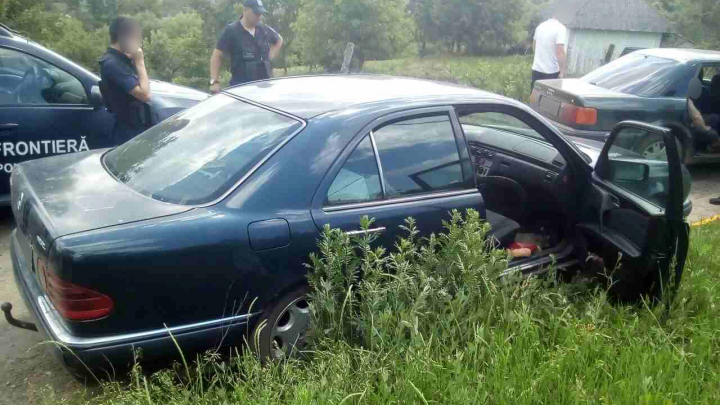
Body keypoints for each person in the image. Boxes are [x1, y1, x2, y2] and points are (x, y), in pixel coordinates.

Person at [209, 0, 283, 93]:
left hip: (265, 88)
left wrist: (269, 58)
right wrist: (214, 82)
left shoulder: (264, 29)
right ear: (245, 10)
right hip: (241, 90)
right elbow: (216, 56)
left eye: (260, 13)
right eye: (256, 13)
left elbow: (279, 39)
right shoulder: (231, 31)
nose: (259, 16)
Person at [98, 17, 151, 145]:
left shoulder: (122, 60)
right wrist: (140, 63)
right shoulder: (112, 64)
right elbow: (145, 95)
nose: (139, 44)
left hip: (136, 128)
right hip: (128, 133)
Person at [531, 9, 568, 92]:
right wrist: (562, 71)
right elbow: (560, 51)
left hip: (536, 69)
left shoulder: (540, 26)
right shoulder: (561, 28)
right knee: (549, 100)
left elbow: (534, 46)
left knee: (535, 97)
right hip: (551, 72)